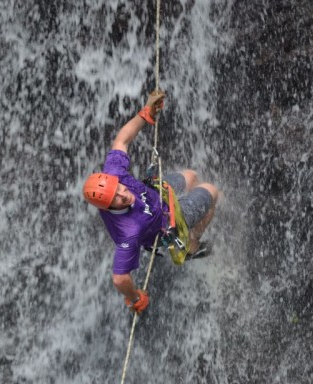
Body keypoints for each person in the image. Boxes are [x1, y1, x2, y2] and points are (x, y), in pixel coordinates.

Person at [82, 90, 219, 313]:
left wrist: (145, 113)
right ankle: (193, 241)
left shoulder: (113, 174)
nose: (123, 194)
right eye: (116, 199)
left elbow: (122, 139)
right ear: (107, 208)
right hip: (170, 219)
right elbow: (119, 279)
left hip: (156, 192)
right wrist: (135, 297)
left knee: (192, 176)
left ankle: (193, 211)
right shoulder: (129, 231)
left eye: (119, 188)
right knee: (212, 192)